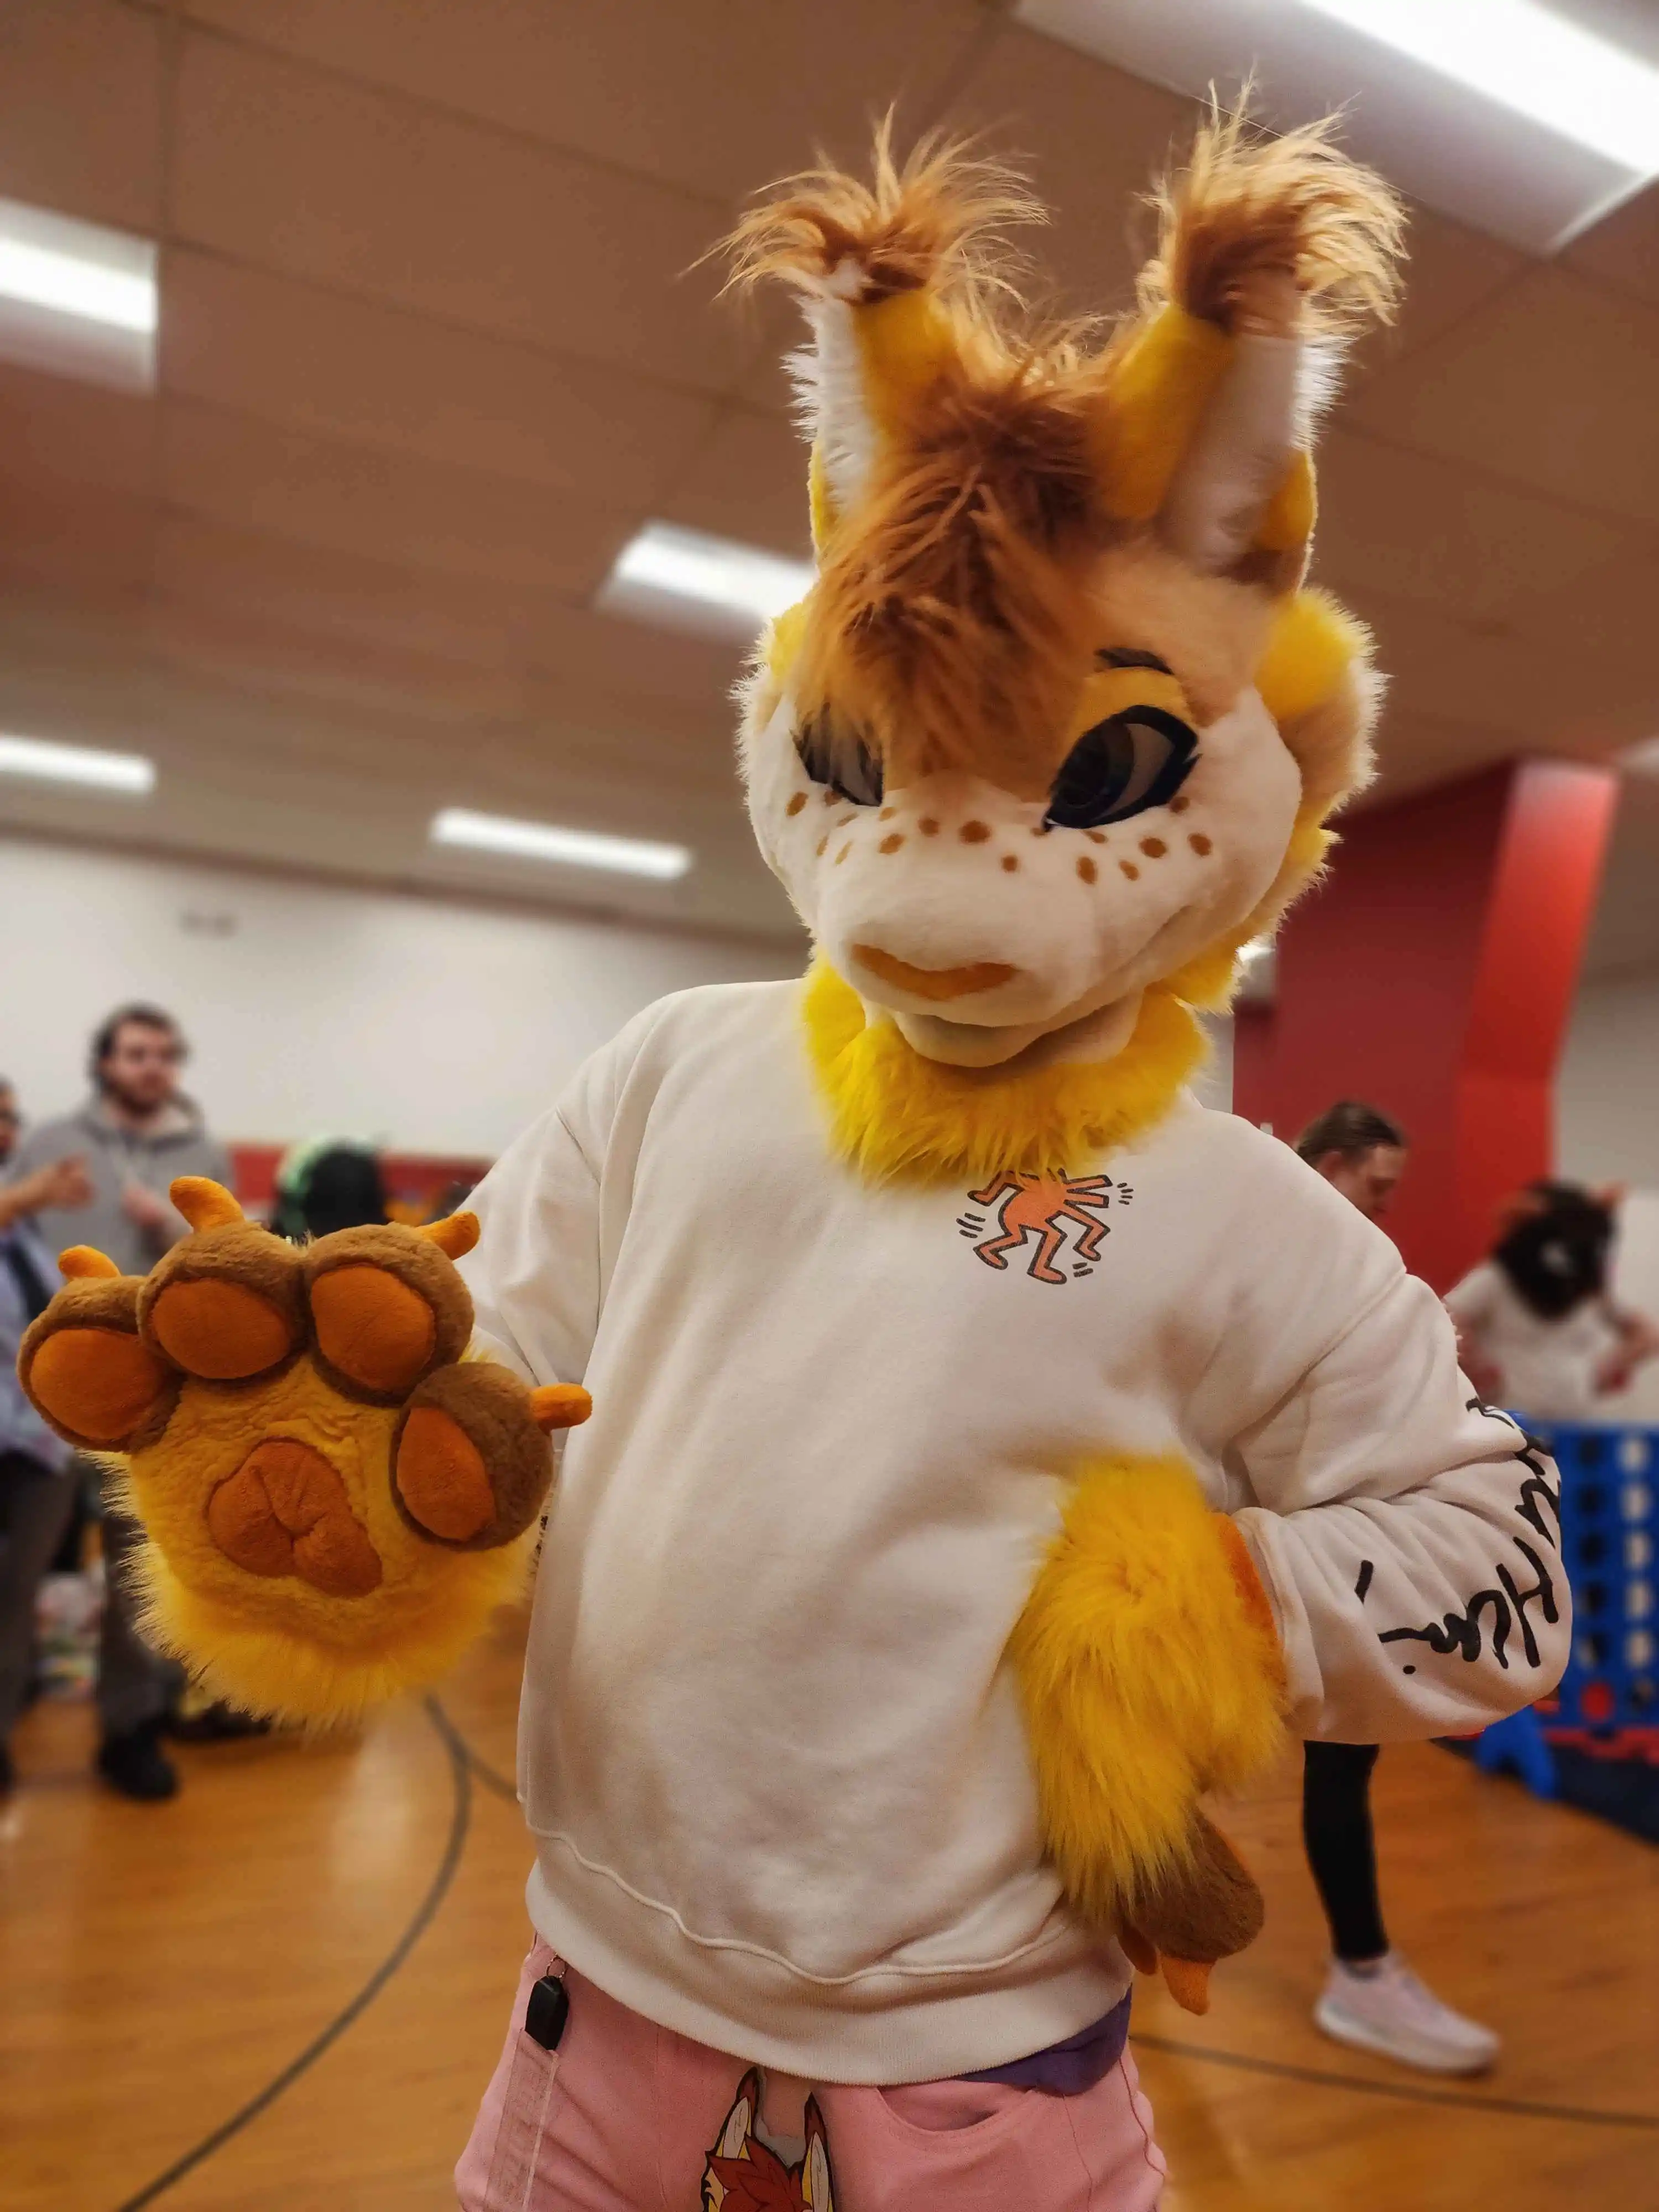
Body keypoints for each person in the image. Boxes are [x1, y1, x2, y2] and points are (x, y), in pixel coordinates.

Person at [19, 121, 1569, 2206]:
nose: (923, 892)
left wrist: (1189, 1603)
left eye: (1095, 774)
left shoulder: (1251, 1214)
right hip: (590, 2005)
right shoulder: (675, 1065)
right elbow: (479, 1392)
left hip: (985, 2073)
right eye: (865, 762)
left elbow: (1505, 1582)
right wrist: (303, 1461)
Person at [1293, 1103, 1500, 2073]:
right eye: (1376, 1187)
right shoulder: (1269, 1252)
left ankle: (1364, 1974)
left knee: (1344, 1749)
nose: (1384, 1208)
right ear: (1333, 1163)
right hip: (1216, 1546)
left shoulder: (1349, 1269)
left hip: (1321, 1541)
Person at [7, 1005, 233, 1801]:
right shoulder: (48, 1144)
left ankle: (130, 1728)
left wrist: (167, 1225)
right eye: (136, 1053)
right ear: (105, 1062)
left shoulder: (203, 1155)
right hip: (45, 1399)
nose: (152, 1066)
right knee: (16, 1570)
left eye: (164, 1055)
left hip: (153, 1408)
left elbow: (231, 1265)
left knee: (140, 1575)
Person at [0, 1081, 93, 1792]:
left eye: (9, 1117)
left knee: (15, 1596)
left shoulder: (25, 1233)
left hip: (36, 1444)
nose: (5, 1129)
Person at [1446, 1181, 1659, 1422]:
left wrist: (1603, 1371)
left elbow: (1647, 1335)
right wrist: (1479, 1370)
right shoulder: (1498, 1278)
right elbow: (1445, 1318)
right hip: (1510, 1424)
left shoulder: (1588, 1290)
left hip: (1575, 1425)